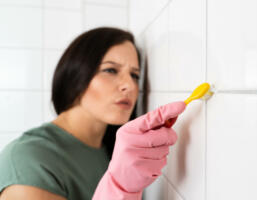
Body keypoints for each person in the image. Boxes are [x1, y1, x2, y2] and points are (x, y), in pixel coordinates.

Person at [0, 27, 186, 200]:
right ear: (75, 75)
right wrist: (121, 187)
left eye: (135, 75)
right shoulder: (28, 159)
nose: (129, 86)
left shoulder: (111, 149)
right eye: (110, 70)